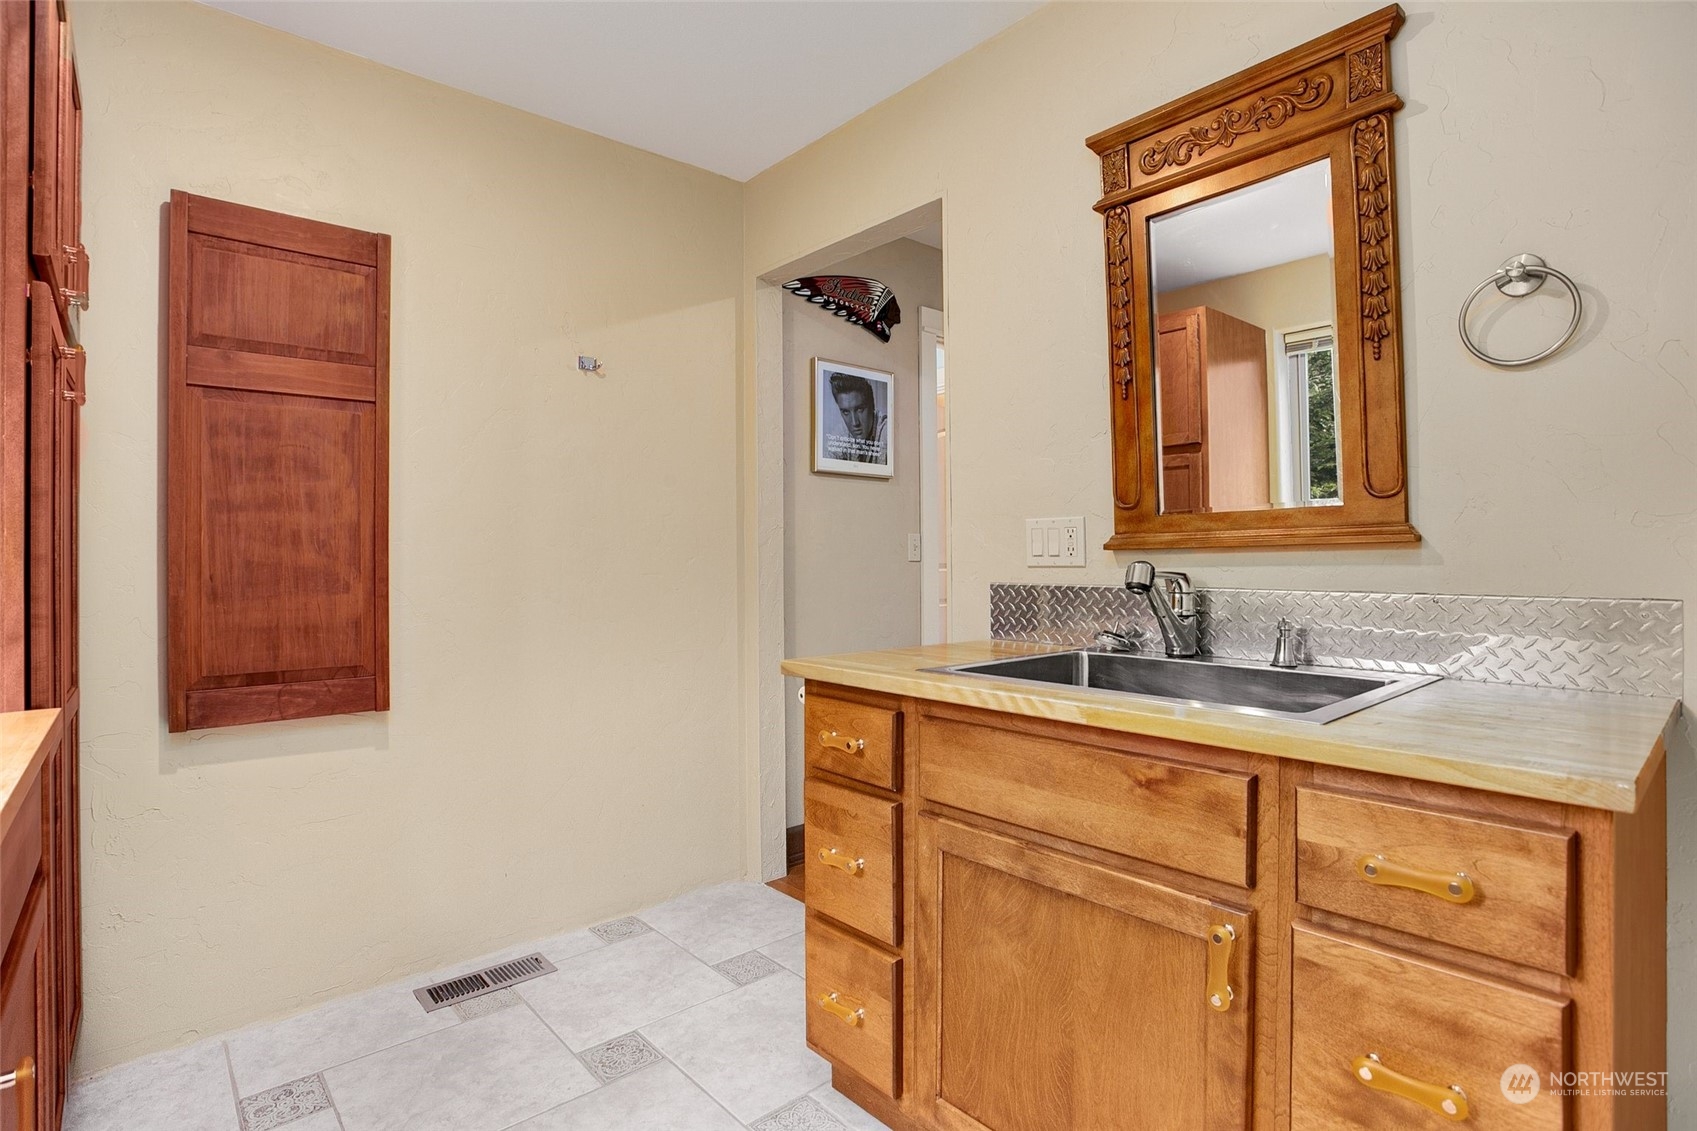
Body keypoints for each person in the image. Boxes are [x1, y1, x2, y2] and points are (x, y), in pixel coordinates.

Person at [828, 372, 887, 463]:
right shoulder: (840, 434)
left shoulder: (887, 432)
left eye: (860, 409)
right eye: (846, 412)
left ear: (872, 406)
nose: (855, 423)